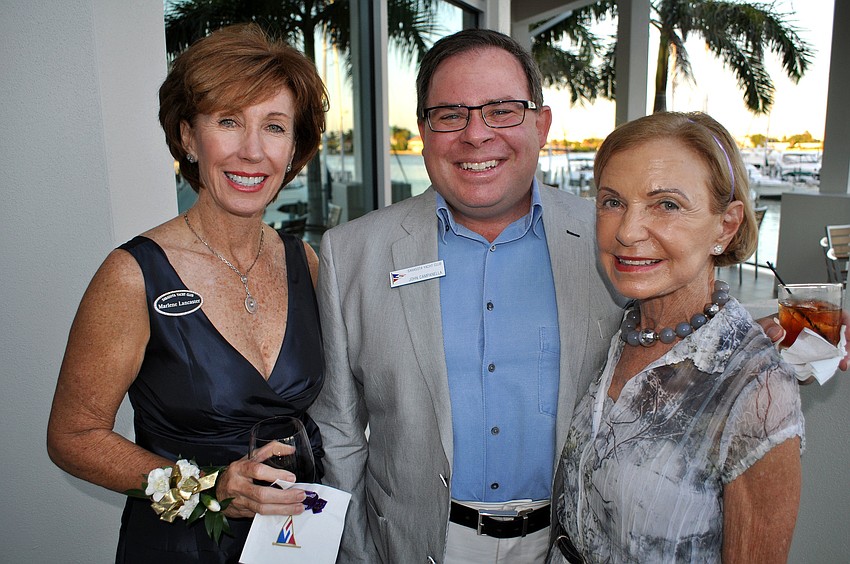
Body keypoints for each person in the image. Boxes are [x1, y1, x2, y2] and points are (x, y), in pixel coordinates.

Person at [308, 29, 626, 563]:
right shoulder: (352, 254)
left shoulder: (610, 242)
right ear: (425, 131)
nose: (476, 135)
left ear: (542, 124)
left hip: (571, 545)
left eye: (502, 110)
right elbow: (338, 431)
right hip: (418, 545)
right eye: (451, 113)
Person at [46, 24, 327, 562]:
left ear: (294, 148)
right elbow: (73, 436)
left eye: (274, 127)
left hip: (294, 543)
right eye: (228, 122)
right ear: (188, 136)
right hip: (185, 547)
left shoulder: (304, 262)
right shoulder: (132, 275)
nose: (252, 151)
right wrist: (207, 489)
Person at [548, 111, 804, 563]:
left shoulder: (757, 392)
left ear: (725, 227)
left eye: (666, 204)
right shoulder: (621, 329)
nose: (627, 231)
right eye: (612, 202)